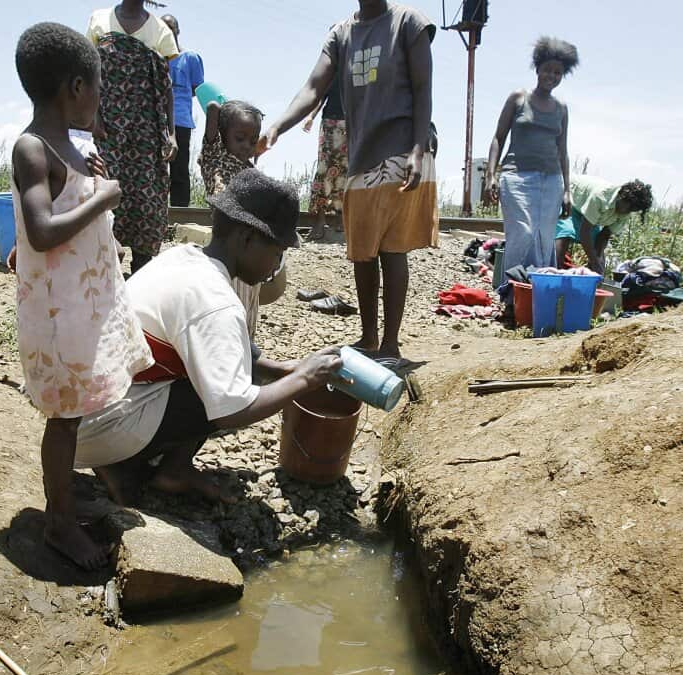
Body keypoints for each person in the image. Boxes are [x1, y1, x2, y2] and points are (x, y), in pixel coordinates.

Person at [74, 169, 344, 503]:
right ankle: (124, 460)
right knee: (237, 384)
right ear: (247, 239)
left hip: (79, 411)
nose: (276, 266)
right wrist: (303, 379)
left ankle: (167, 468)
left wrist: (285, 369)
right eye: (277, 253)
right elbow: (232, 410)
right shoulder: (216, 302)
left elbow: (235, 348)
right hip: (95, 428)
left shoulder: (183, 257)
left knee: (235, 363)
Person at [9, 23, 154, 571]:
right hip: (59, 310)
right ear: (74, 87)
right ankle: (59, 524)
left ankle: (65, 506)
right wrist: (108, 195)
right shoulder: (31, 148)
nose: (100, 98)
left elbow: (77, 197)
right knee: (64, 419)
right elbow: (43, 229)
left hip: (86, 303)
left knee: (74, 411)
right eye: (97, 87)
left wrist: (97, 183)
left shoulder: (76, 147)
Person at [264, 0, 438, 365]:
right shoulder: (341, 33)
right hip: (360, 151)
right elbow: (313, 86)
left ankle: (391, 344)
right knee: (362, 249)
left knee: (391, 248)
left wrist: (418, 149)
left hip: (402, 146)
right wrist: (279, 126)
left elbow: (423, 89)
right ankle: (369, 338)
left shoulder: (409, 23)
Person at [87, 0, 179, 274]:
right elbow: (87, 71)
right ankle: (106, 266)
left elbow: (167, 87)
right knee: (102, 187)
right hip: (108, 126)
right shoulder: (99, 20)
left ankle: (141, 271)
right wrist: (93, 116)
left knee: (146, 199)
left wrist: (171, 133)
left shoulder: (161, 30)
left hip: (146, 129)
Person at [484, 36, 577, 289]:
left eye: (558, 72)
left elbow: (563, 150)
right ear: (537, 69)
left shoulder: (562, 108)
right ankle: (509, 291)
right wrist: (490, 175)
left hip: (551, 181)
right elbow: (498, 137)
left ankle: (537, 290)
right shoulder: (518, 98)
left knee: (544, 239)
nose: (552, 75)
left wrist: (567, 191)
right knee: (522, 234)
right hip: (516, 177)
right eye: (547, 69)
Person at [199, 99, 278, 338]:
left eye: (253, 141)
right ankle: (230, 348)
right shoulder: (214, 157)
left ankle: (247, 352)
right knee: (226, 303)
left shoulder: (252, 172)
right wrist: (220, 112)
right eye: (239, 138)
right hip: (227, 249)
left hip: (250, 250)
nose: (247, 146)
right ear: (222, 136)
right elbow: (212, 107)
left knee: (247, 303)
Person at [555, 175, 653, 273]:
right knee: (566, 233)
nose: (627, 212)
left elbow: (604, 235)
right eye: (628, 208)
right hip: (571, 200)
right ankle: (554, 272)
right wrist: (593, 260)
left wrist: (597, 258)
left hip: (588, 215)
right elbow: (585, 232)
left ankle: (589, 282)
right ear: (622, 197)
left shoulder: (626, 212)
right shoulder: (601, 196)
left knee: (599, 262)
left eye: (632, 210)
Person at [161, 13, 204, 208]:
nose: (168, 31)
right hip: (156, 121)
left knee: (179, 170)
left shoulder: (190, 58)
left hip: (181, 121)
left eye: (171, 27)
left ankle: (180, 212)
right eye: (163, 27)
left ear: (177, 30)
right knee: (157, 169)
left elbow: (197, 88)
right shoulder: (155, 57)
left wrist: (179, 96)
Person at [303, 58, 348, 242]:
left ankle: (341, 218)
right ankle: (320, 220)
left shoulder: (357, 68)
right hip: (329, 123)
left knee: (345, 171)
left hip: (350, 126)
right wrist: (310, 117)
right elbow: (320, 97)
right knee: (324, 170)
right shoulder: (330, 72)